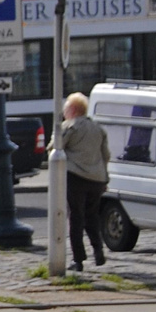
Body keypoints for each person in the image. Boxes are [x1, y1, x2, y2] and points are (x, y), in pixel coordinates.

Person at [55, 92, 110, 272]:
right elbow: (106, 155)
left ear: (72, 109)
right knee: (92, 216)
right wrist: (105, 177)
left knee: (76, 217)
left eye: (65, 109)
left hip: (76, 177)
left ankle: (78, 260)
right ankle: (98, 251)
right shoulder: (98, 128)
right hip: (97, 179)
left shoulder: (70, 126)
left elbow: (55, 147)